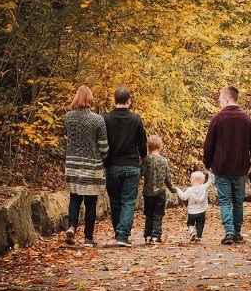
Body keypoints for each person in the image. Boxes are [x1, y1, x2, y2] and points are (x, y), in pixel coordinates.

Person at [203, 86, 251, 245]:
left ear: (228, 98)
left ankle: (228, 231)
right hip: (241, 168)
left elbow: (209, 145)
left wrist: (207, 163)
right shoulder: (247, 119)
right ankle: (237, 232)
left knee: (225, 201)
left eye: (220, 99)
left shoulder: (217, 119)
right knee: (238, 201)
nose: (219, 102)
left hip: (221, 168)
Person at [64, 85, 109, 247]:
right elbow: (103, 146)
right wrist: (105, 158)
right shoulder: (97, 119)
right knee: (90, 202)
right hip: (91, 165)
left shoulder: (68, 117)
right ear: (90, 99)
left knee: (74, 198)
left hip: (73, 163)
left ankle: (71, 227)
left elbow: (70, 138)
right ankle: (88, 239)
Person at [103, 86, 147, 246]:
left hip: (112, 165)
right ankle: (122, 235)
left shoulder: (105, 118)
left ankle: (118, 232)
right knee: (128, 201)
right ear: (129, 100)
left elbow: (103, 142)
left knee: (115, 200)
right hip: (131, 165)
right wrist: (144, 157)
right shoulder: (136, 119)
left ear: (114, 100)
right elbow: (142, 143)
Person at [141, 135, 176, 244]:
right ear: (160, 147)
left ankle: (147, 235)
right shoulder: (163, 160)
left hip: (147, 192)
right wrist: (173, 189)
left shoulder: (145, 160)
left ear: (148, 147)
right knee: (158, 215)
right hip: (160, 192)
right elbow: (167, 177)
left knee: (149, 214)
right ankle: (156, 236)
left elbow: (141, 173)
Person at [175, 170, 215, 243]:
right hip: (202, 211)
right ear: (202, 181)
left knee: (190, 223)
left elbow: (183, 197)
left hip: (191, 212)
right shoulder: (204, 187)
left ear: (193, 180)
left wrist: (177, 189)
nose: (190, 179)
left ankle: (192, 231)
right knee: (200, 224)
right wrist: (209, 172)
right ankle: (198, 237)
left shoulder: (189, 190)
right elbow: (211, 181)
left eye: (190, 178)